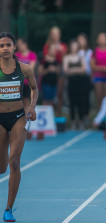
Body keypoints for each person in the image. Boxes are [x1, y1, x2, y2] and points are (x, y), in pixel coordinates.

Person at [0, 32, 38, 222]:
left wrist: (31, 107)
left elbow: (34, 88)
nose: (5, 48)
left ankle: (8, 208)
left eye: (8, 45)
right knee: (1, 167)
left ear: (14, 47)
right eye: (1, 45)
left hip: (18, 118)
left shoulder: (24, 69)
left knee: (15, 162)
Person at [43, 26, 67, 116]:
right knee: (48, 95)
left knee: (59, 93)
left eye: (57, 34)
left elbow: (64, 59)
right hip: (49, 70)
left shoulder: (63, 46)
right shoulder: (47, 46)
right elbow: (46, 58)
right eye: (53, 34)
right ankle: (48, 115)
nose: (55, 36)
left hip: (59, 68)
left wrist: (61, 52)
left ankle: (58, 114)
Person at [63, 39, 87, 130]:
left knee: (81, 102)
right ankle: (73, 122)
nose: (73, 48)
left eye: (75, 46)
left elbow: (84, 69)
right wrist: (78, 70)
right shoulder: (67, 57)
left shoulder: (81, 57)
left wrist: (72, 70)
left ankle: (81, 122)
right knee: (72, 103)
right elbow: (65, 71)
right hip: (71, 83)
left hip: (80, 83)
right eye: (72, 46)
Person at [90, 32, 106, 110]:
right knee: (99, 98)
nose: (102, 40)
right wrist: (104, 68)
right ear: (97, 40)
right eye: (100, 38)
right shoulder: (95, 51)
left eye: (103, 38)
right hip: (98, 77)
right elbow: (92, 66)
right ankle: (100, 117)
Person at [15, 38, 38, 116]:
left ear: (25, 44)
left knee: (26, 101)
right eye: (18, 45)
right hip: (18, 82)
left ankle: (25, 118)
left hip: (27, 82)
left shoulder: (32, 54)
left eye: (20, 44)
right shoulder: (16, 55)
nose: (19, 46)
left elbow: (31, 68)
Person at [77, 33, 93, 125]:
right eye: (79, 40)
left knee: (86, 98)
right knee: (78, 98)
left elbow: (91, 65)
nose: (80, 42)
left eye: (82, 39)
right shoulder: (76, 52)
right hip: (78, 77)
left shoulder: (90, 52)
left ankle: (86, 116)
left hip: (86, 77)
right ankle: (79, 118)